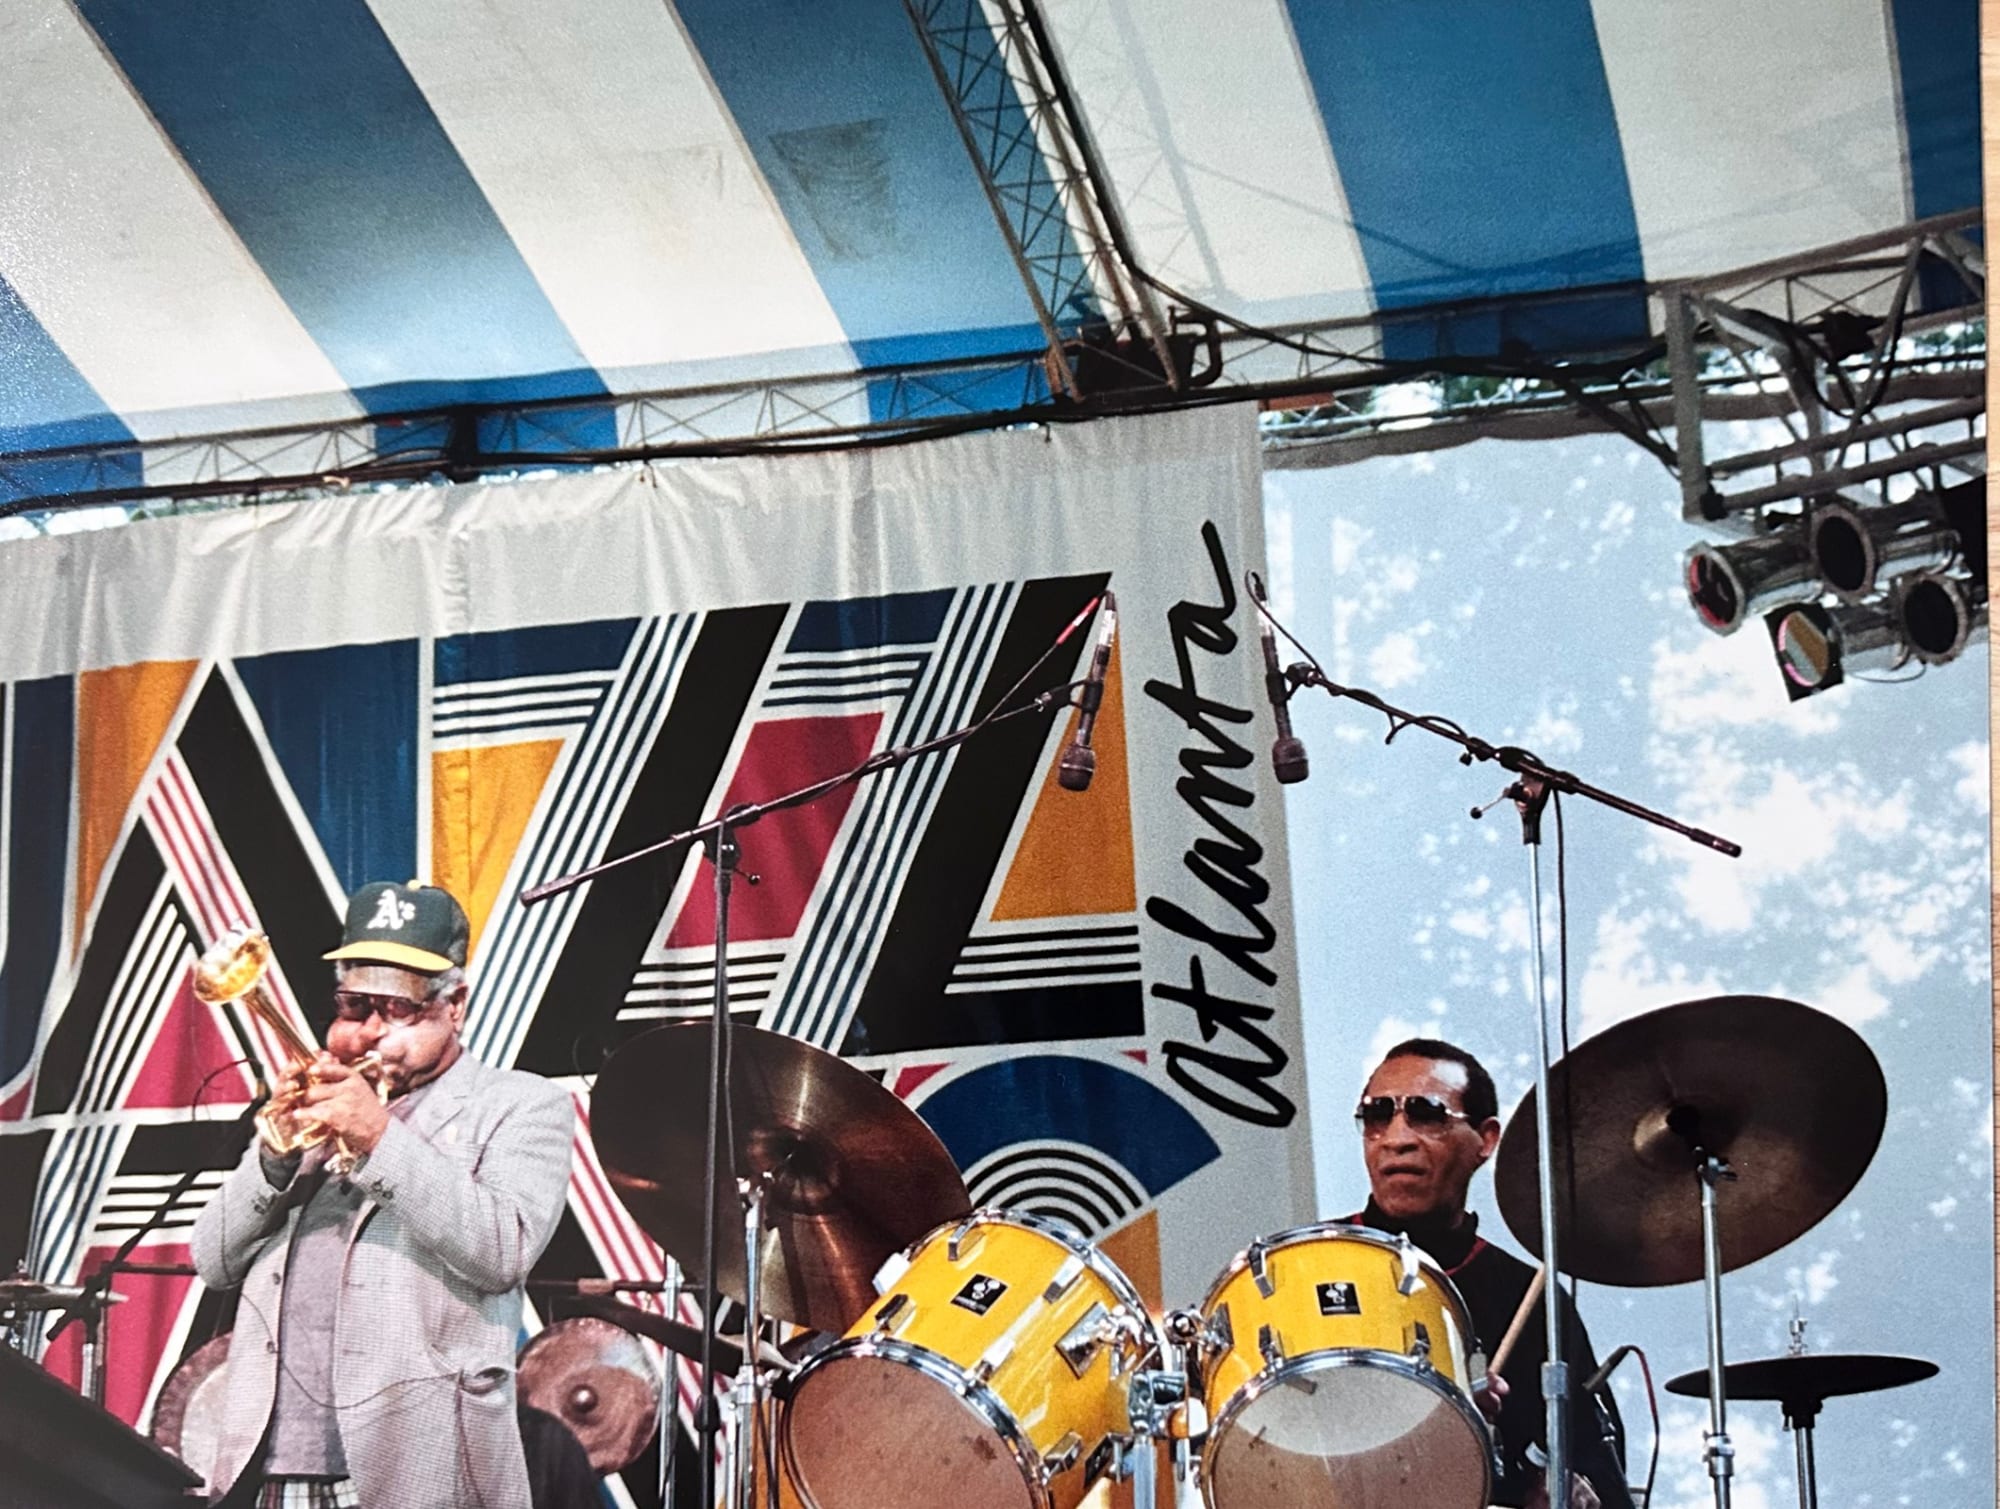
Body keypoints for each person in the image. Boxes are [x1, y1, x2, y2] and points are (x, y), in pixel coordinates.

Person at [191, 881, 574, 1509]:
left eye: (396, 1009)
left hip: (421, 1467)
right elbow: (213, 1259)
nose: (367, 1031)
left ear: (456, 1006)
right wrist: (274, 1156)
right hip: (271, 1468)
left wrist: (374, 1135)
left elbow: (502, 1251)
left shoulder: (521, 1105)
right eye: (352, 1006)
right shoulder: (316, 1110)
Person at [1348, 1038, 1633, 1509]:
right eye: (1377, 1115)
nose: (1396, 1137)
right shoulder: (1306, 1269)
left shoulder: (1531, 1296)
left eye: (1427, 1113)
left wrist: (1554, 1486)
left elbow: (1599, 1473)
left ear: (1486, 1139)